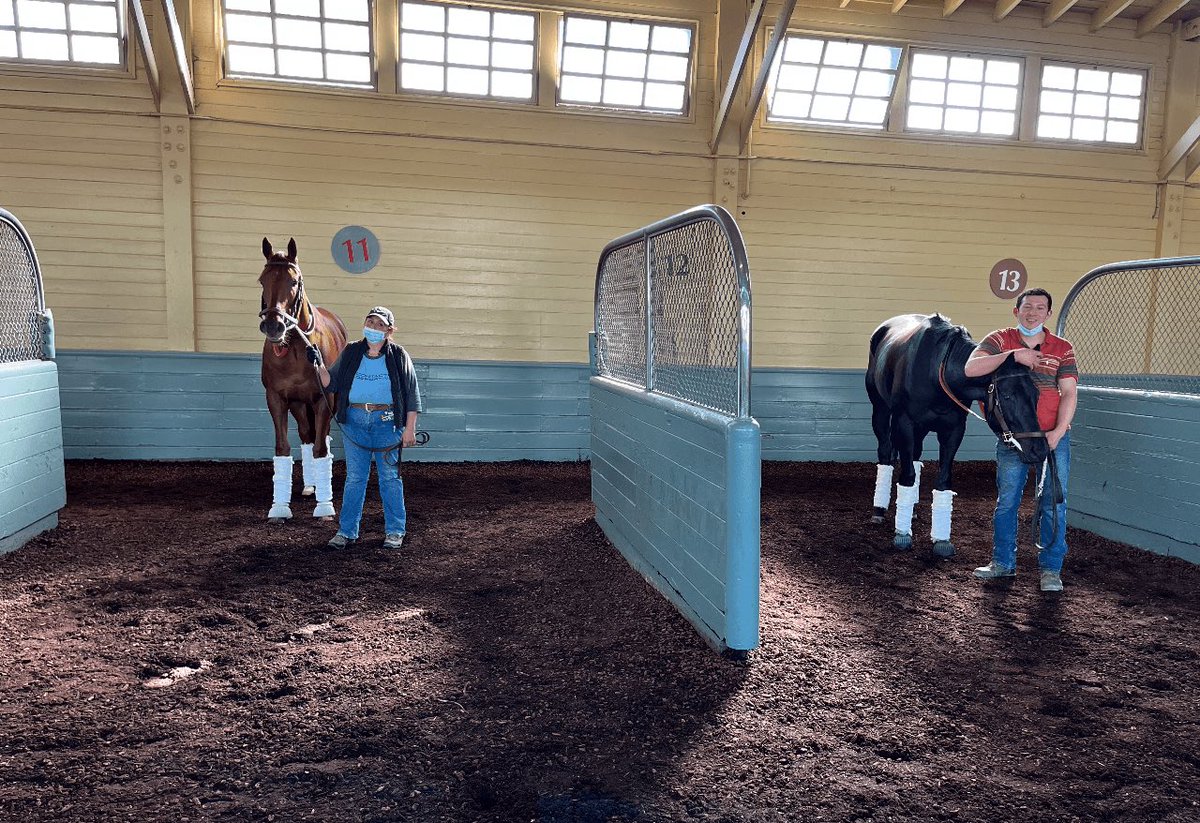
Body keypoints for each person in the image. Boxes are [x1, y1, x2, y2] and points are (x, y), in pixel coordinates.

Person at [965, 288, 1079, 592]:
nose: (1033, 312)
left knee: (1054, 503)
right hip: (1013, 438)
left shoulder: (1062, 347)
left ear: (1048, 314)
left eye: (1040, 308)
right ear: (1016, 311)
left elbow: (1068, 392)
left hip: (1052, 437)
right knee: (1007, 503)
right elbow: (970, 368)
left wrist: (1058, 431)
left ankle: (1051, 570)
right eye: (1027, 307)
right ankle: (1003, 564)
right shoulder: (1000, 339)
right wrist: (1013, 356)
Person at [307, 306, 421, 550]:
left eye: (380, 325)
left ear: (389, 331)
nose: (373, 328)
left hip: (387, 423)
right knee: (355, 478)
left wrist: (409, 428)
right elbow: (331, 382)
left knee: (390, 478)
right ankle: (347, 531)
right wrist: (317, 364)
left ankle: (395, 530)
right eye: (370, 322)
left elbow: (412, 394)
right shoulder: (351, 352)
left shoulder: (399, 356)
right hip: (355, 421)